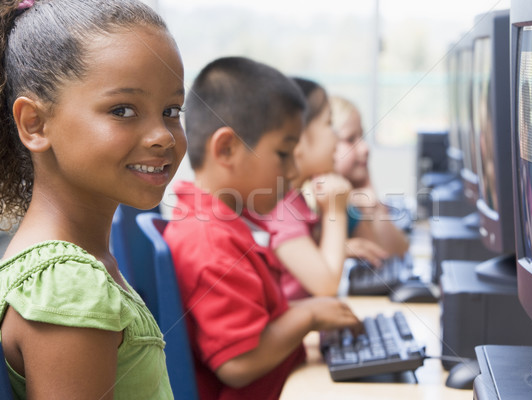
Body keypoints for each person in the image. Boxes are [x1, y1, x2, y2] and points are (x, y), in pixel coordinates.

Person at [0, 0, 187, 398]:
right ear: (35, 124)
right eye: (123, 110)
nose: (164, 136)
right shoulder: (69, 287)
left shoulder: (72, 268)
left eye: (172, 110)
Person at [164, 57, 361, 400]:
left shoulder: (223, 223)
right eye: (283, 153)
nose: (292, 167)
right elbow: (237, 364)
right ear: (226, 149)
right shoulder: (209, 240)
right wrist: (309, 315)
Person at [265, 78, 388, 300]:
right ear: (298, 139)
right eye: (328, 124)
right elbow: (327, 285)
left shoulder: (296, 199)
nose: (335, 135)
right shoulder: (279, 207)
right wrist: (334, 209)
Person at [330, 95, 411, 258]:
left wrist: (374, 205)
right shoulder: (318, 201)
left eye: (362, 137)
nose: (365, 148)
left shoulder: (350, 202)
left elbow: (395, 252)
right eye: (351, 139)